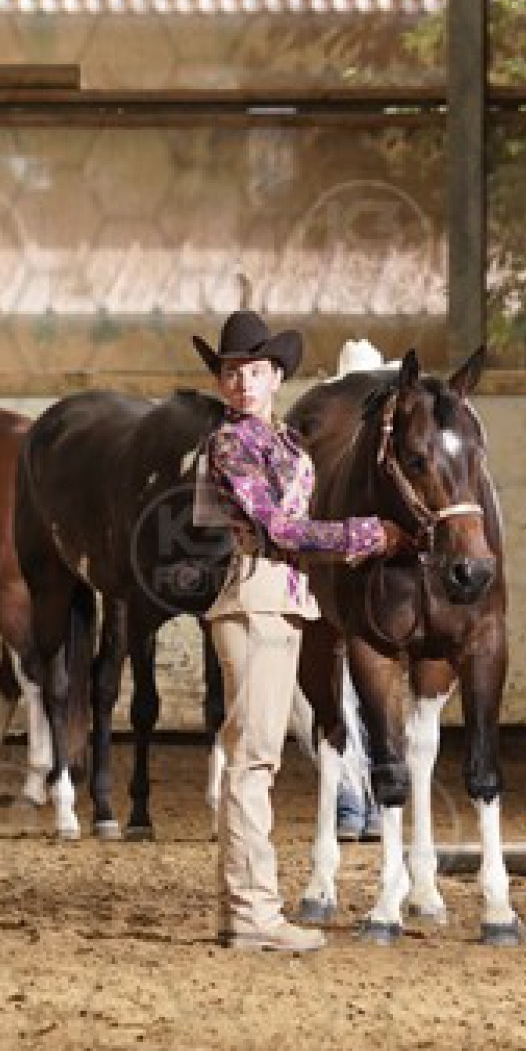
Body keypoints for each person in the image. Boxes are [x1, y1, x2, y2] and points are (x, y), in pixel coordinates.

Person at [193, 310, 408, 952]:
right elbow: (280, 529)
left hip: (286, 600)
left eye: (254, 371)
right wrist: (367, 535)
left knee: (259, 758)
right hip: (255, 596)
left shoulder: (284, 441)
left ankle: (245, 910)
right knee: (252, 762)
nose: (241, 383)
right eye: (232, 373)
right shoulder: (231, 443)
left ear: (275, 376)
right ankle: (253, 913)